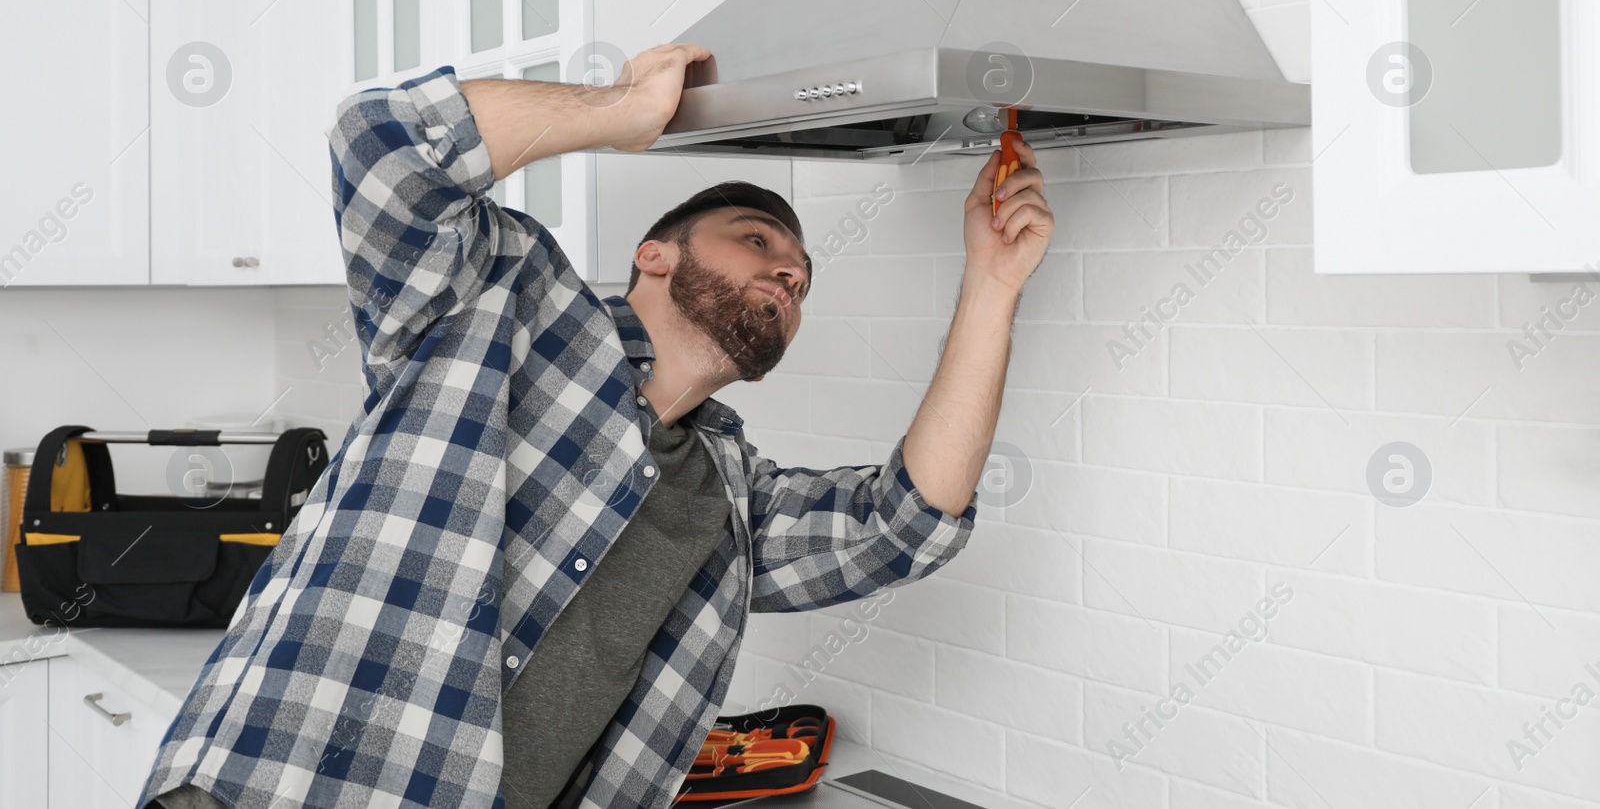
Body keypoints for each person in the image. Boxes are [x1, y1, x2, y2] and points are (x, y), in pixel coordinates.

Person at [141, 43, 1055, 809]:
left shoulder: (731, 498)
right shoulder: (498, 301)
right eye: (757, 239)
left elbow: (906, 525)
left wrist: (993, 284)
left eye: (803, 276)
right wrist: (621, 109)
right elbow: (381, 141)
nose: (788, 274)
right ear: (653, 256)